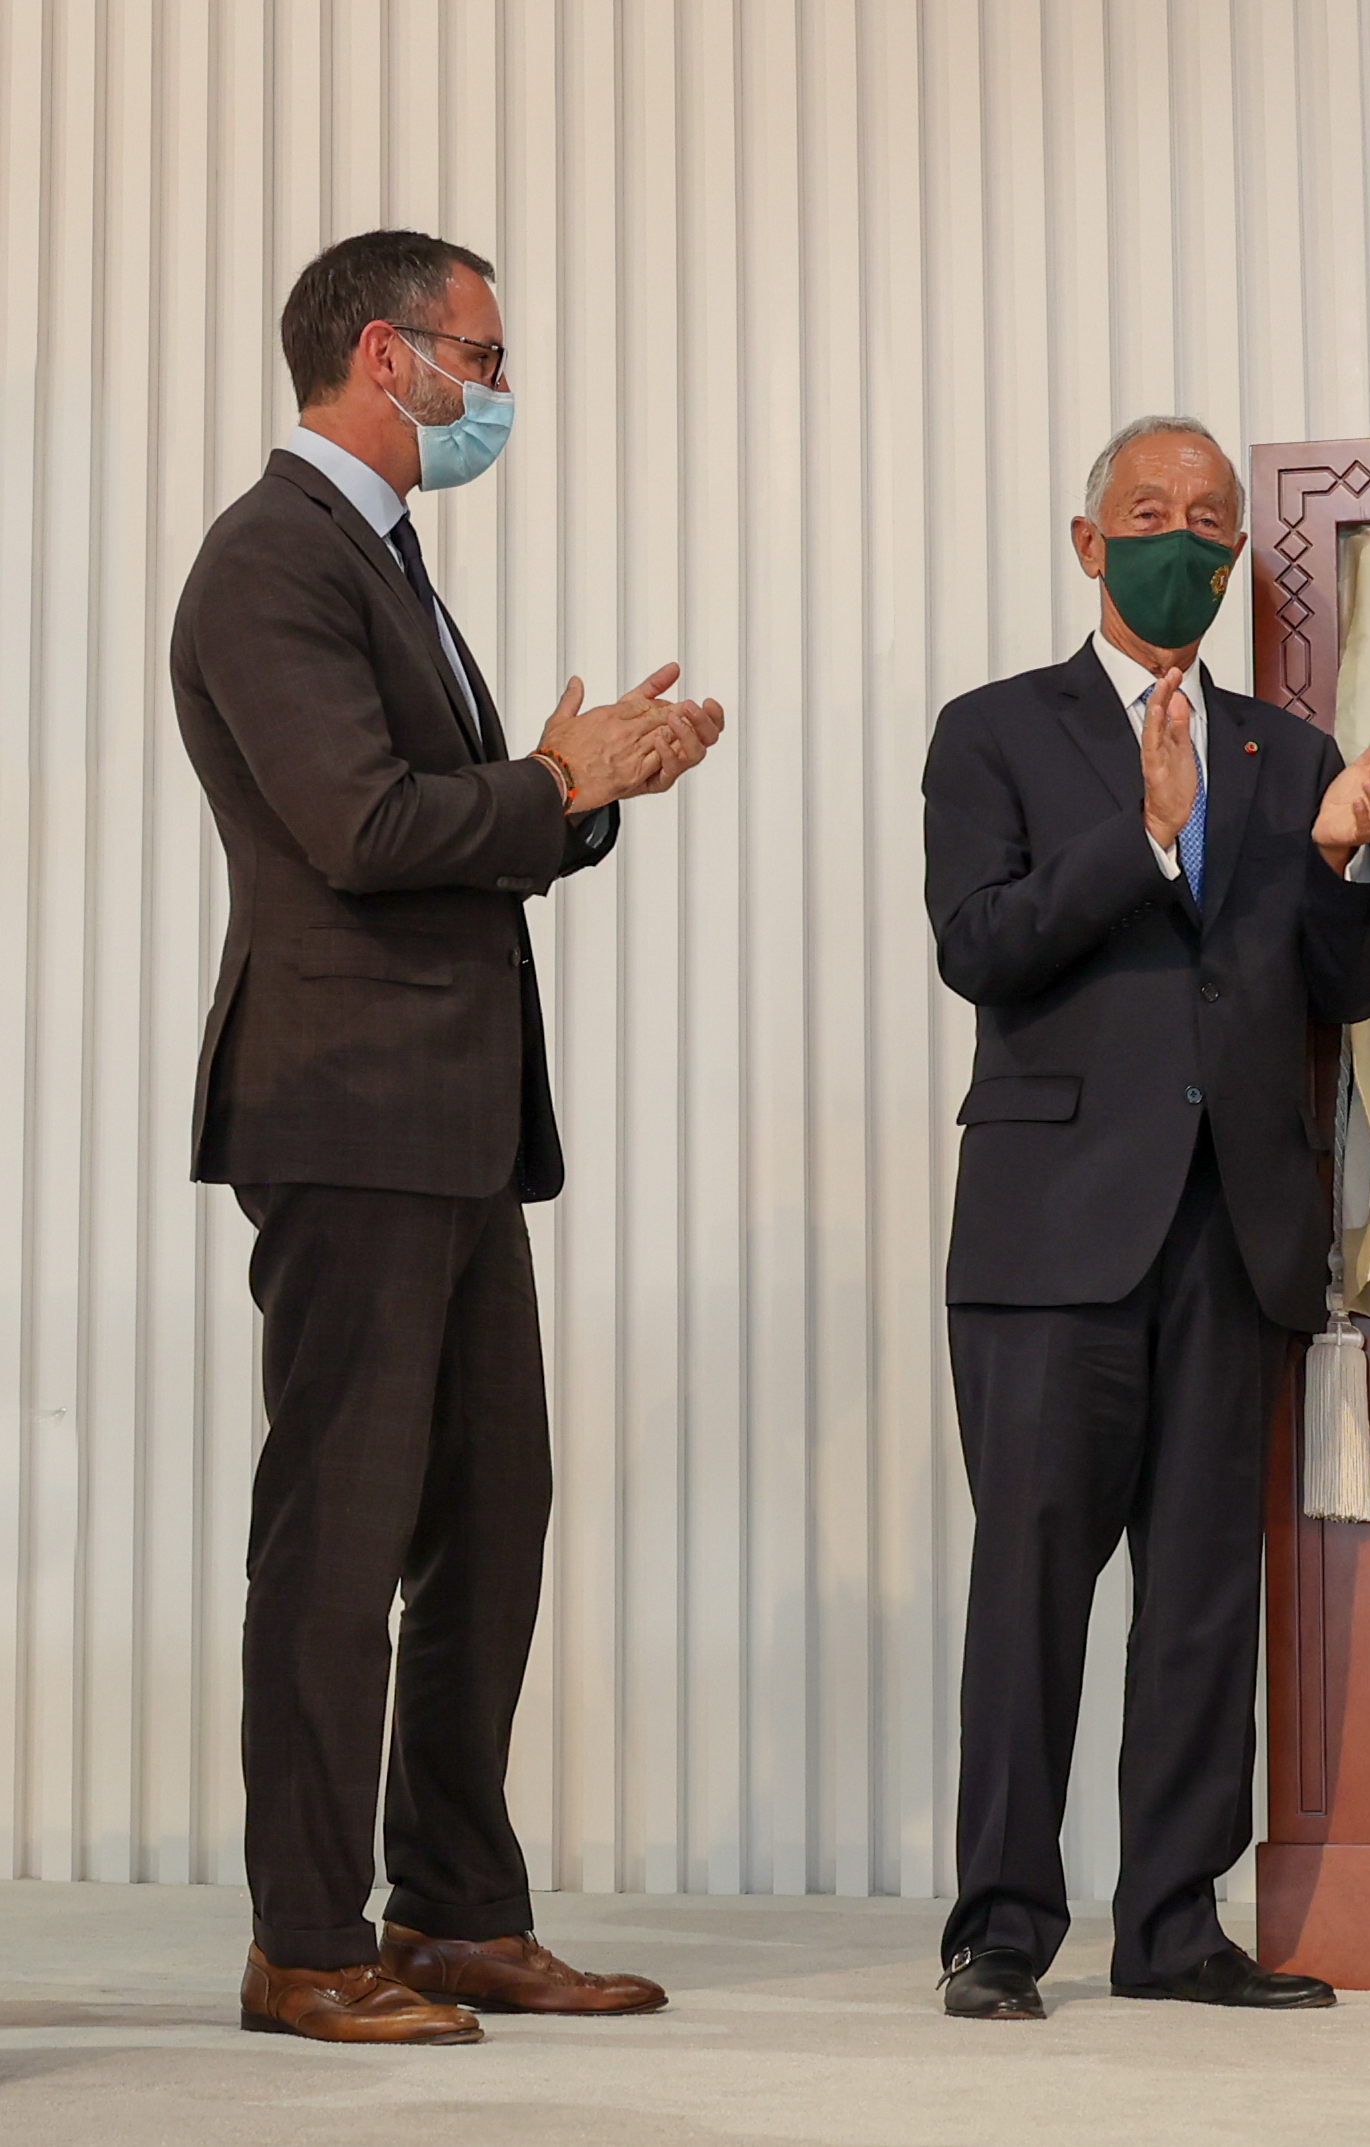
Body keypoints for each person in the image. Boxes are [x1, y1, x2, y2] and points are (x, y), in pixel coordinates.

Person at [169, 230, 724, 2045]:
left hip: (457, 1125)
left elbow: (458, 823)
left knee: (491, 1519)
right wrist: (548, 787)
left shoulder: (388, 563)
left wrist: (589, 791)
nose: (498, 387)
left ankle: (459, 1918)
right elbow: (361, 827)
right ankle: (305, 1942)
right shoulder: (272, 557)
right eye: (480, 354)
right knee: (337, 1535)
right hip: (346, 1114)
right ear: (382, 353)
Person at [921, 417, 1370, 2020]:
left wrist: (1347, 859)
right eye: (1152, 512)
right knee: (1034, 1585)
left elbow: (1339, 991)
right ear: (1088, 543)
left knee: (1204, 1592)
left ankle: (1175, 1929)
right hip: (1053, 1236)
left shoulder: (1284, 751)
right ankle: (1001, 1928)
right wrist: (1139, 839)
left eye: (1214, 520)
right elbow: (981, 946)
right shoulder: (994, 733)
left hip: (1234, 1232)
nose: (1186, 541)